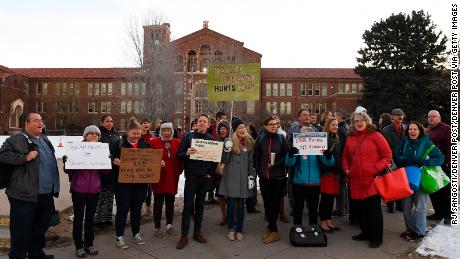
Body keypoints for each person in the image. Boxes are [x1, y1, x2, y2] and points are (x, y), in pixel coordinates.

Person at [0, 113, 60, 259]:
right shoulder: (15, 140)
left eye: (41, 120)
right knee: (21, 231)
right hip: (24, 196)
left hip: (46, 194)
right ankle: (17, 256)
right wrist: (24, 157)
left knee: (40, 229)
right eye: (36, 121)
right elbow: (2, 155)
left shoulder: (45, 139)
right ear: (27, 124)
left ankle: (36, 254)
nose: (40, 123)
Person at [342, 109, 392, 248]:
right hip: (355, 180)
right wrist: (346, 169)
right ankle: (365, 233)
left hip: (372, 179)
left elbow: (387, 156)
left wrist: (375, 168)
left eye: (361, 120)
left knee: (373, 210)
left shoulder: (376, 136)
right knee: (361, 209)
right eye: (356, 121)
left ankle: (376, 237)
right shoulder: (350, 138)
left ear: (367, 121)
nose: (359, 123)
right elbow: (345, 157)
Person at [64, 125, 110, 257]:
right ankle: (78, 245)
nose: (94, 136)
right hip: (79, 189)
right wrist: (67, 162)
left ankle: (89, 244)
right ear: (85, 136)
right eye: (91, 134)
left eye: (96, 134)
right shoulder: (76, 149)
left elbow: (105, 171)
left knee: (90, 218)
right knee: (79, 218)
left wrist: (107, 161)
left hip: (95, 189)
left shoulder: (101, 150)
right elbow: (68, 170)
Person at [394, 121, 444, 241]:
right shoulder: (404, 141)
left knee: (420, 206)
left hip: (421, 178)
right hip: (406, 178)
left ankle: (419, 231)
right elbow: (396, 154)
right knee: (406, 207)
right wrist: (403, 160)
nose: (412, 131)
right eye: (410, 129)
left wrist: (426, 162)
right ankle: (410, 229)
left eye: (415, 129)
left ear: (419, 131)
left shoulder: (426, 142)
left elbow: (440, 157)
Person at [176, 114, 217, 249]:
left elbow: (213, 160)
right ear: (196, 123)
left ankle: (197, 232)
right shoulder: (188, 137)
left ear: (208, 125)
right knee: (187, 206)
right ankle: (184, 234)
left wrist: (210, 174)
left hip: (204, 178)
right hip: (191, 177)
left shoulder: (211, 139)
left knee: (200, 205)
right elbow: (179, 155)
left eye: (205, 122)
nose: (202, 123)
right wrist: (186, 153)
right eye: (200, 121)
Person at [111, 119, 149, 249]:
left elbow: (150, 162)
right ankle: (120, 237)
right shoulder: (118, 144)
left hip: (140, 184)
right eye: (133, 133)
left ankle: (136, 233)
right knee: (122, 210)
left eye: (138, 134)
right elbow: (109, 159)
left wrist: (157, 164)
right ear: (128, 132)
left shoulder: (145, 144)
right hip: (123, 185)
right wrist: (115, 162)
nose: (136, 136)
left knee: (136, 210)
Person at [285, 126, 334, 227]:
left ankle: (313, 229)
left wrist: (329, 155)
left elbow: (329, 163)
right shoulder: (297, 147)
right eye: (301, 135)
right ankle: (297, 228)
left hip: (314, 182)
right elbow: (289, 163)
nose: (304, 137)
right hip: (299, 182)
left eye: (306, 135)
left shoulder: (316, 148)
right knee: (298, 208)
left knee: (313, 208)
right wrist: (291, 154)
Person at [218, 117, 255, 241]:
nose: (242, 129)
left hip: (243, 178)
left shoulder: (250, 142)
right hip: (231, 177)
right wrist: (226, 150)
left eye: (244, 127)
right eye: (239, 127)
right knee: (231, 205)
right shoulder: (229, 141)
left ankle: (239, 229)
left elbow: (251, 161)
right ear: (235, 130)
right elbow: (224, 160)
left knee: (241, 206)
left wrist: (251, 176)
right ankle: (231, 229)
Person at [254, 115, 289, 244]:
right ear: (265, 126)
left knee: (274, 205)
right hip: (264, 177)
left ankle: (274, 232)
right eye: (271, 124)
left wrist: (277, 164)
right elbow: (256, 157)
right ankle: (270, 228)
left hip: (278, 177)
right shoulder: (260, 139)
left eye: (275, 124)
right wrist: (259, 170)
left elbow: (288, 155)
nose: (274, 126)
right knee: (268, 204)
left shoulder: (281, 138)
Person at [150, 123, 183, 238]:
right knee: (158, 204)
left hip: (172, 177)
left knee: (170, 202)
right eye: (164, 130)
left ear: (172, 132)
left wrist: (179, 170)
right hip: (159, 179)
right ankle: (157, 227)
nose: (167, 133)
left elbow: (182, 157)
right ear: (161, 132)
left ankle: (169, 224)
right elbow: (147, 156)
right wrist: (156, 161)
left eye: (169, 130)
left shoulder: (177, 142)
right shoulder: (153, 142)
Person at [427, 110, 452, 224]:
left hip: (444, 164)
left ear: (439, 118)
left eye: (434, 116)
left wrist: (447, 160)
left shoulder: (446, 129)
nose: (431, 118)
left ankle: (449, 215)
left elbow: (451, 146)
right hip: (433, 164)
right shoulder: (430, 130)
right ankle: (439, 212)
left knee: (446, 190)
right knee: (435, 189)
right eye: (429, 117)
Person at [95, 114, 120, 228]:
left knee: (109, 195)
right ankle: (98, 219)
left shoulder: (116, 134)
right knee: (100, 196)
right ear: (102, 122)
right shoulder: (98, 134)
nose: (109, 123)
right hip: (100, 170)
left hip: (113, 170)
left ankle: (107, 218)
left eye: (111, 121)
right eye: (107, 121)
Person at [318, 118, 343, 232]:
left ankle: (328, 220)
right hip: (327, 173)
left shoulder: (336, 138)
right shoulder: (324, 138)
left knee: (331, 198)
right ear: (328, 126)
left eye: (337, 125)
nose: (335, 127)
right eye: (333, 125)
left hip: (335, 173)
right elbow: (321, 156)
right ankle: (323, 221)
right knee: (325, 198)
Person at [381, 108, 407, 213]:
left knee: (401, 182)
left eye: (401, 115)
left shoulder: (406, 128)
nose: (400, 117)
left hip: (403, 160)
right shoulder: (386, 130)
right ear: (392, 117)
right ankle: (390, 204)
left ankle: (400, 205)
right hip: (390, 159)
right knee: (390, 182)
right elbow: (384, 147)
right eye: (397, 115)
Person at [331, 110, 350, 219]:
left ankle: (340, 209)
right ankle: (345, 208)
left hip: (340, 161)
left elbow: (339, 148)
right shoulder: (345, 128)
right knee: (343, 186)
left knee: (340, 187)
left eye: (335, 117)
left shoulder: (340, 130)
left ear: (339, 117)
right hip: (344, 161)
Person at [211, 120, 231, 225]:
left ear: (228, 130)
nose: (222, 130)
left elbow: (228, 157)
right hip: (219, 173)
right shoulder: (217, 141)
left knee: (231, 195)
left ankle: (232, 216)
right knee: (220, 195)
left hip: (229, 172)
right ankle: (224, 217)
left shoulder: (231, 141)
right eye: (220, 129)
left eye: (224, 128)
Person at [140, 117, 154, 216]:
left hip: (149, 163)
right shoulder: (138, 135)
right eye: (144, 123)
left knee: (149, 187)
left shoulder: (151, 136)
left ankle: (148, 206)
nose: (146, 125)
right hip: (138, 163)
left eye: (147, 123)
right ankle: (138, 206)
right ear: (140, 124)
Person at [246, 125, 260, 213]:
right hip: (248, 165)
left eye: (246, 129)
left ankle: (252, 203)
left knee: (251, 185)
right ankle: (250, 204)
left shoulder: (252, 140)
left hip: (252, 166)